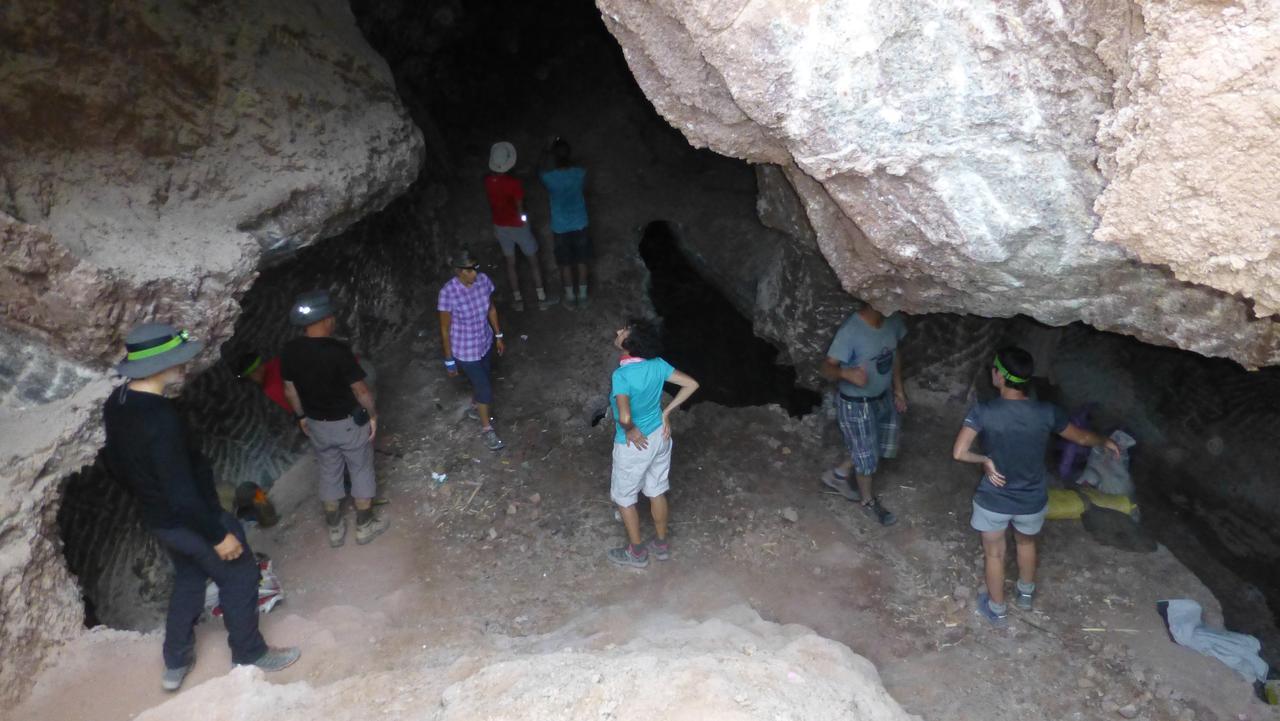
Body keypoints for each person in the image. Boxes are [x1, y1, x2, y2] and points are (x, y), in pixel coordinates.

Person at [102, 323, 299, 692]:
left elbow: (115, 464)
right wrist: (218, 533)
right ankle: (250, 654)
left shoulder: (118, 403)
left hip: (160, 519)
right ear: (159, 364)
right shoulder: (160, 418)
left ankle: (175, 661)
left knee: (191, 579)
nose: (183, 366)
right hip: (192, 518)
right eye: (176, 360)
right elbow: (182, 492)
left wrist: (149, 497)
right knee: (239, 574)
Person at [951, 346, 1120, 627]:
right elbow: (1080, 437)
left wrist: (985, 460)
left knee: (995, 553)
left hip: (994, 499)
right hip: (1031, 499)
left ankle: (997, 609)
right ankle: (1025, 595)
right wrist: (1104, 440)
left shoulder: (984, 411)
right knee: (1026, 543)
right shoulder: (1046, 412)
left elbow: (959, 452)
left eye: (994, 368)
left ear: (1000, 377)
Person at [280, 290, 388, 548]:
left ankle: (335, 530)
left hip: (317, 424)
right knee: (360, 469)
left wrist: (302, 416)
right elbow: (360, 390)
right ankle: (364, 526)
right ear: (326, 319)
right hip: (348, 424)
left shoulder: (290, 351)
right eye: (332, 315)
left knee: (329, 471)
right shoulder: (338, 351)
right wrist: (373, 415)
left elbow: (289, 389)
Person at [607, 319, 700, 568]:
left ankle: (636, 553)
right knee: (656, 490)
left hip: (634, 444)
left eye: (623, 330)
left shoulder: (622, 375)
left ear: (630, 343)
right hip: (660, 436)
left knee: (625, 498)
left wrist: (631, 429)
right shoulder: (658, 365)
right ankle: (661, 544)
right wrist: (666, 412)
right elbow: (692, 384)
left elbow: (625, 417)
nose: (618, 331)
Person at [819, 300, 908, 526]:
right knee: (866, 456)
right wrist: (847, 374)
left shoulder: (893, 320)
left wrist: (898, 391)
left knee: (872, 444)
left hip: (882, 397)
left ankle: (837, 476)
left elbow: (895, 353)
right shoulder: (851, 330)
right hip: (855, 403)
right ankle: (868, 501)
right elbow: (827, 368)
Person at [439, 251, 507, 451]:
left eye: (476, 268)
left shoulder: (484, 281)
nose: (474, 274)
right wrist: (449, 359)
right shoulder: (448, 293)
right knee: (485, 388)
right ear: (458, 271)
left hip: (484, 342)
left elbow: (491, 309)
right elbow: (445, 329)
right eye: (469, 270)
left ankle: (476, 405)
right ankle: (487, 429)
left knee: (484, 380)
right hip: (465, 350)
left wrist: (498, 335)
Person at [485, 140, 551, 311]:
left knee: (510, 263)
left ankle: (518, 301)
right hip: (517, 225)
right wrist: (523, 220)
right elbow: (519, 206)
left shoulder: (488, 182)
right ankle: (542, 298)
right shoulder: (514, 184)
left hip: (500, 226)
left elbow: (493, 205)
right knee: (533, 261)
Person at [538, 137, 592, 307]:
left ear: (554, 157)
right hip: (580, 223)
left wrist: (545, 152)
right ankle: (583, 297)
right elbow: (584, 181)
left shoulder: (549, 177)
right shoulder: (580, 172)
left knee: (565, 263)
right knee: (582, 260)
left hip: (560, 227)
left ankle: (570, 298)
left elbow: (538, 170)